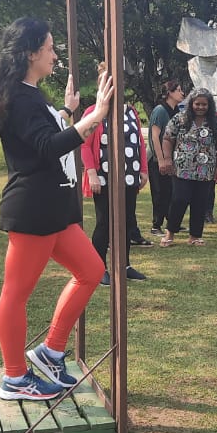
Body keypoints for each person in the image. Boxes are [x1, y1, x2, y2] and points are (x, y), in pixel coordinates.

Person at [0, 17, 114, 401]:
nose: (56, 55)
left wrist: (71, 114)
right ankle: (15, 378)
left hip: (55, 207)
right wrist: (95, 116)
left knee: (91, 271)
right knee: (16, 293)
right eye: (51, 48)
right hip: (33, 209)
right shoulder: (20, 98)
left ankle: (50, 351)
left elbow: (49, 135)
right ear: (30, 53)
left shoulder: (30, 94)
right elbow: (46, 147)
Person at [81, 63, 149, 285]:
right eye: (105, 82)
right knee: (105, 223)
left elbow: (139, 141)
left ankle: (124, 265)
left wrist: (144, 171)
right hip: (103, 177)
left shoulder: (130, 111)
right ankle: (98, 267)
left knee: (127, 222)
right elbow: (83, 145)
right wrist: (91, 173)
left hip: (129, 177)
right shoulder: (93, 112)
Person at [158, 88, 217, 247]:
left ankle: (195, 236)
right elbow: (168, 139)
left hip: (206, 171)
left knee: (200, 202)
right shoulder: (180, 119)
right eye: (197, 104)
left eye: (205, 104)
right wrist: (167, 159)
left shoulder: (216, 122)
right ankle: (170, 233)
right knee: (179, 200)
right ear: (191, 104)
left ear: (209, 105)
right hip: (182, 168)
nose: (201, 107)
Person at [148, 79, 184, 237]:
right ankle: (156, 225)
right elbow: (155, 136)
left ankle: (172, 223)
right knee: (160, 192)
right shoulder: (160, 111)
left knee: (172, 192)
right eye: (179, 90)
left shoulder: (176, 110)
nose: (182, 93)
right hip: (157, 159)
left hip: (172, 158)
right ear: (169, 92)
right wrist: (161, 159)